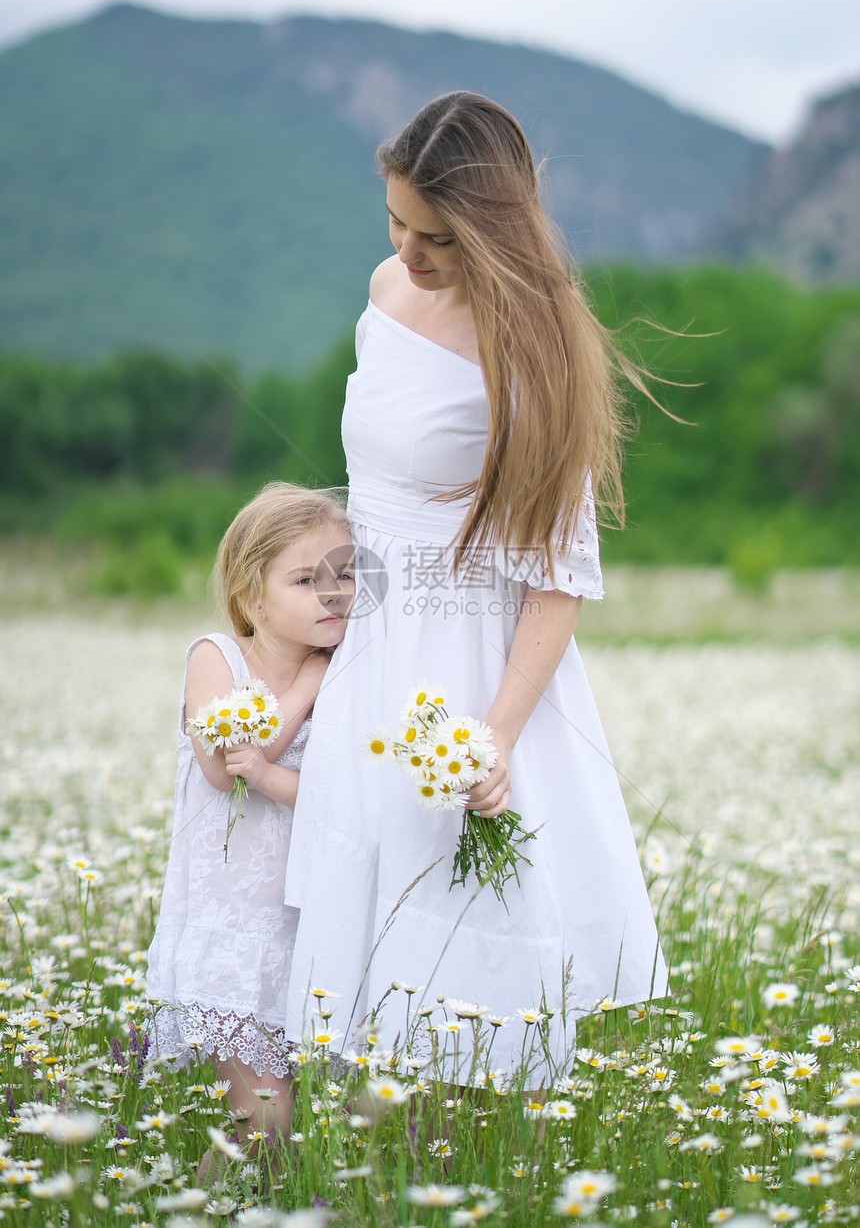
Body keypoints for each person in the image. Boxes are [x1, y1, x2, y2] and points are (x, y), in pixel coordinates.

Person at [283, 92, 669, 1087]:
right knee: (355, 940)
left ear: (491, 231)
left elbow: (555, 580)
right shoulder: (384, 290)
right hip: (366, 636)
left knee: (457, 955)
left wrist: (492, 734)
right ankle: (371, 1164)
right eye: (396, 225)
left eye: (436, 239)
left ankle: (462, 1164)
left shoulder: (531, 348)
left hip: (461, 668)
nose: (408, 254)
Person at [145, 481, 354, 1142]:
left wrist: (275, 771)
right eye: (305, 579)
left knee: (324, 1123)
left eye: (346, 574)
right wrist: (304, 689)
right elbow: (223, 767)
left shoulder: (348, 673)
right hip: (234, 931)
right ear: (248, 592)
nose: (334, 592)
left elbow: (337, 793)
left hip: (310, 927)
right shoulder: (219, 658)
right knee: (261, 1121)